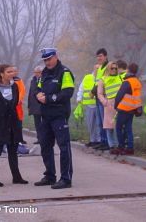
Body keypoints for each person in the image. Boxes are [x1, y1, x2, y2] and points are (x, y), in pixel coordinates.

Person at [34, 48, 74, 189]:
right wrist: (38, 95)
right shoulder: (44, 73)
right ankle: (50, 176)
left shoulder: (64, 72)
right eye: (45, 60)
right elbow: (38, 88)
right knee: (45, 146)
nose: (47, 62)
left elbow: (68, 92)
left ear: (56, 57)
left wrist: (49, 99)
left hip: (59, 115)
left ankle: (66, 179)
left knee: (64, 147)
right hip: (46, 115)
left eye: (49, 59)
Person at [0, 64, 28, 187]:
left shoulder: (14, 87)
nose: (13, 73)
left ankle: (16, 177)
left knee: (13, 151)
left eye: (14, 71)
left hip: (13, 122)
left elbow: (15, 103)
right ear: (2, 74)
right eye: (9, 71)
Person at [114, 63, 142, 155]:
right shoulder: (137, 82)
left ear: (128, 70)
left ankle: (121, 146)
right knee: (128, 129)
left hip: (123, 108)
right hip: (132, 109)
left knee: (118, 128)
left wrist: (115, 106)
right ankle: (130, 148)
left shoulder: (127, 82)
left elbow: (119, 95)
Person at [98, 62, 122, 153]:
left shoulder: (119, 78)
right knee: (109, 126)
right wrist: (105, 102)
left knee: (118, 125)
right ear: (108, 69)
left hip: (120, 103)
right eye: (112, 68)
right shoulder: (103, 79)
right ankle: (111, 146)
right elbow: (99, 93)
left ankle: (119, 145)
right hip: (109, 104)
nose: (114, 70)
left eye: (116, 68)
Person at [76, 65, 101, 147]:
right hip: (89, 104)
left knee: (98, 123)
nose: (98, 69)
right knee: (90, 123)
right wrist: (79, 98)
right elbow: (81, 88)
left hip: (98, 104)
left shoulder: (102, 78)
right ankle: (92, 140)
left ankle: (99, 140)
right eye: (97, 68)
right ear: (93, 69)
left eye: (99, 68)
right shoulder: (87, 77)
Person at [91, 48, 109, 150]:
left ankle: (107, 142)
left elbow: (104, 83)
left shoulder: (107, 67)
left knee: (104, 121)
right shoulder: (100, 68)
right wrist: (93, 91)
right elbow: (97, 82)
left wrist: (93, 92)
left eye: (100, 56)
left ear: (105, 56)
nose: (99, 58)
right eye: (97, 56)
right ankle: (102, 141)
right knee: (99, 122)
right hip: (98, 96)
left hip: (103, 97)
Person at [12, 67, 27, 144]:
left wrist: (18, 100)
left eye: (15, 71)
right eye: (12, 71)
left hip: (18, 105)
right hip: (9, 105)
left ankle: (20, 138)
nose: (14, 72)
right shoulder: (7, 80)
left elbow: (22, 90)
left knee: (19, 122)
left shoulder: (19, 80)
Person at [28, 66, 43, 144]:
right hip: (34, 105)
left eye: (38, 72)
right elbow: (30, 93)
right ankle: (39, 139)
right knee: (37, 124)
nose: (36, 74)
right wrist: (29, 105)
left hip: (42, 105)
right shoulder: (33, 80)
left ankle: (45, 139)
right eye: (35, 72)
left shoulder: (44, 80)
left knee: (44, 124)